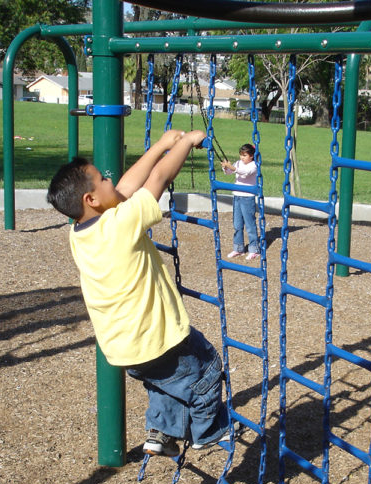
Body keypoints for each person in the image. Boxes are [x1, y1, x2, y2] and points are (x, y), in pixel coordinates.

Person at [46, 129, 230, 457]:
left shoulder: (79, 234)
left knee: (165, 380)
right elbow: (158, 177)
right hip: (159, 337)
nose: (110, 181)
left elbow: (125, 189)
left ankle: (161, 434)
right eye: (102, 179)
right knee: (206, 364)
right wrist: (186, 143)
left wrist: (161, 144)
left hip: (122, 349)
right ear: (91, 199)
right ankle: (208, 430)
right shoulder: (122, 222)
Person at [220, 143, 260, 261]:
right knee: (237, 224)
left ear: (251, 156)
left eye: (245, 155)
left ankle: (254, 250)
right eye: (241, 155)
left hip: (247, 198)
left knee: (249, 225)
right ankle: (238, 248)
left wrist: (231, 167)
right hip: (237, 196)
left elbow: (244, 172)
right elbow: (229, 172)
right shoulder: (238, 163)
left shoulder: (254, 165)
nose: (242, 157)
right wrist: (225, 167)